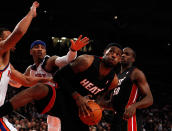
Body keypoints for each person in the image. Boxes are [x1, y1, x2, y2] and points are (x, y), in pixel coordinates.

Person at [0, 42, 122, 130]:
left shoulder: (113, 81)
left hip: (78, 111)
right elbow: (58, 76)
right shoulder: (87, 61)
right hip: (61, 97)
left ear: (120, 59)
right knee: (39, 88)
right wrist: (77, 96)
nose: (114, 55)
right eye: (111, 51)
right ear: (104, 52)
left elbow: (99, 98)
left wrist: (98, 106)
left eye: (117, 54)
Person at [9, 35, 89, 131]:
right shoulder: (31, 69)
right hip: (50, 103)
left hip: (65, 99)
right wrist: (6, 75)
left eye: (42, 48)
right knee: (51, 122)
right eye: (36, 47)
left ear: (45, 51)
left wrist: (72, 50)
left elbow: (66, 60)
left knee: (56, 121)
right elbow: (18, 84)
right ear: (31, 52)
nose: (40, 49)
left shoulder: (49, 62)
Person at [0, 1, 53, 130]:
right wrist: (31, 13)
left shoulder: (7, 65)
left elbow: (26, 80)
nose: (12, 40)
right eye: (8, 37)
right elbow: (18, 33)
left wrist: (49, 79)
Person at [101, 47, 153, 131]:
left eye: (127, 54)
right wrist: (98, 104)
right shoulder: (116, 77)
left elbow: (149, 99)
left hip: (130, 119)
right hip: (116, 120)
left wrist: (134, 106)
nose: (123, 55)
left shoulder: (136, 73)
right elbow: (113, 104)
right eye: (122, 54)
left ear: (133, 59)